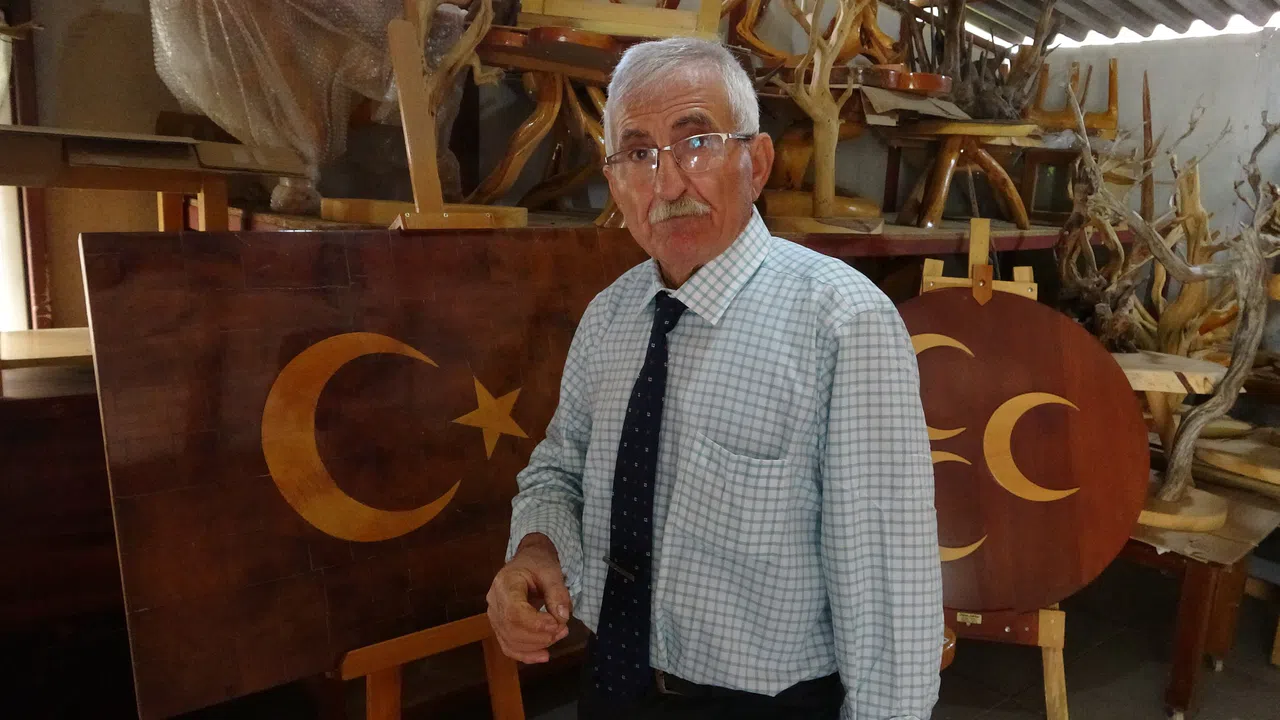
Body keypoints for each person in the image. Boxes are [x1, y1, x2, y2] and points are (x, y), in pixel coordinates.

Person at [486, 36, 942, 720]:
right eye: (638, 154)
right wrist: (537, 548)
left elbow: (888, 584)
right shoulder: (611, 316)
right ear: (614, 181)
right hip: (611, 685)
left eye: (696, 143)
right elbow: (560, 470)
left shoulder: (842, 322)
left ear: (756, 163)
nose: (667, 184)